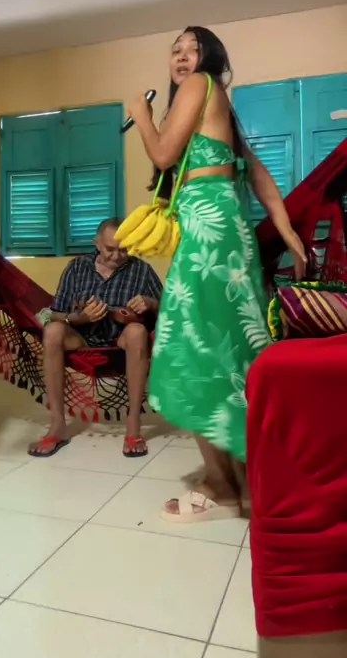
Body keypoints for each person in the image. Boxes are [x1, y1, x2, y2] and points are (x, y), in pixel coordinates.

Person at [125, 26, 307, 522]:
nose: (183, 57)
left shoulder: (199, 84)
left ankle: (222, 483)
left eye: (194, 49)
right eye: (176, 50)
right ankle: (244, 476)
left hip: (209, 230)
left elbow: (162, 155)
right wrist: (285, 228)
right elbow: (254, 168)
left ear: (210, 60)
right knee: (228, 353)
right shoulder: (213, 102)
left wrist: (142, 117)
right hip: (221, 229)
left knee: (195, 351)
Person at [28, 218, 163, 458]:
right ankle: (58, 425)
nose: (117, 256)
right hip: (81, 339)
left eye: (124, 249)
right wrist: (79, 318)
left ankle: (133, 425)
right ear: (97, 243)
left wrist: (151, 303)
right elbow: (55, 313)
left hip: (121, 343)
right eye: (110, 249)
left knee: (137, 331)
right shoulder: (77, 268)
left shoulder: (142, 270)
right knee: (53, 331)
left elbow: (170, 310)